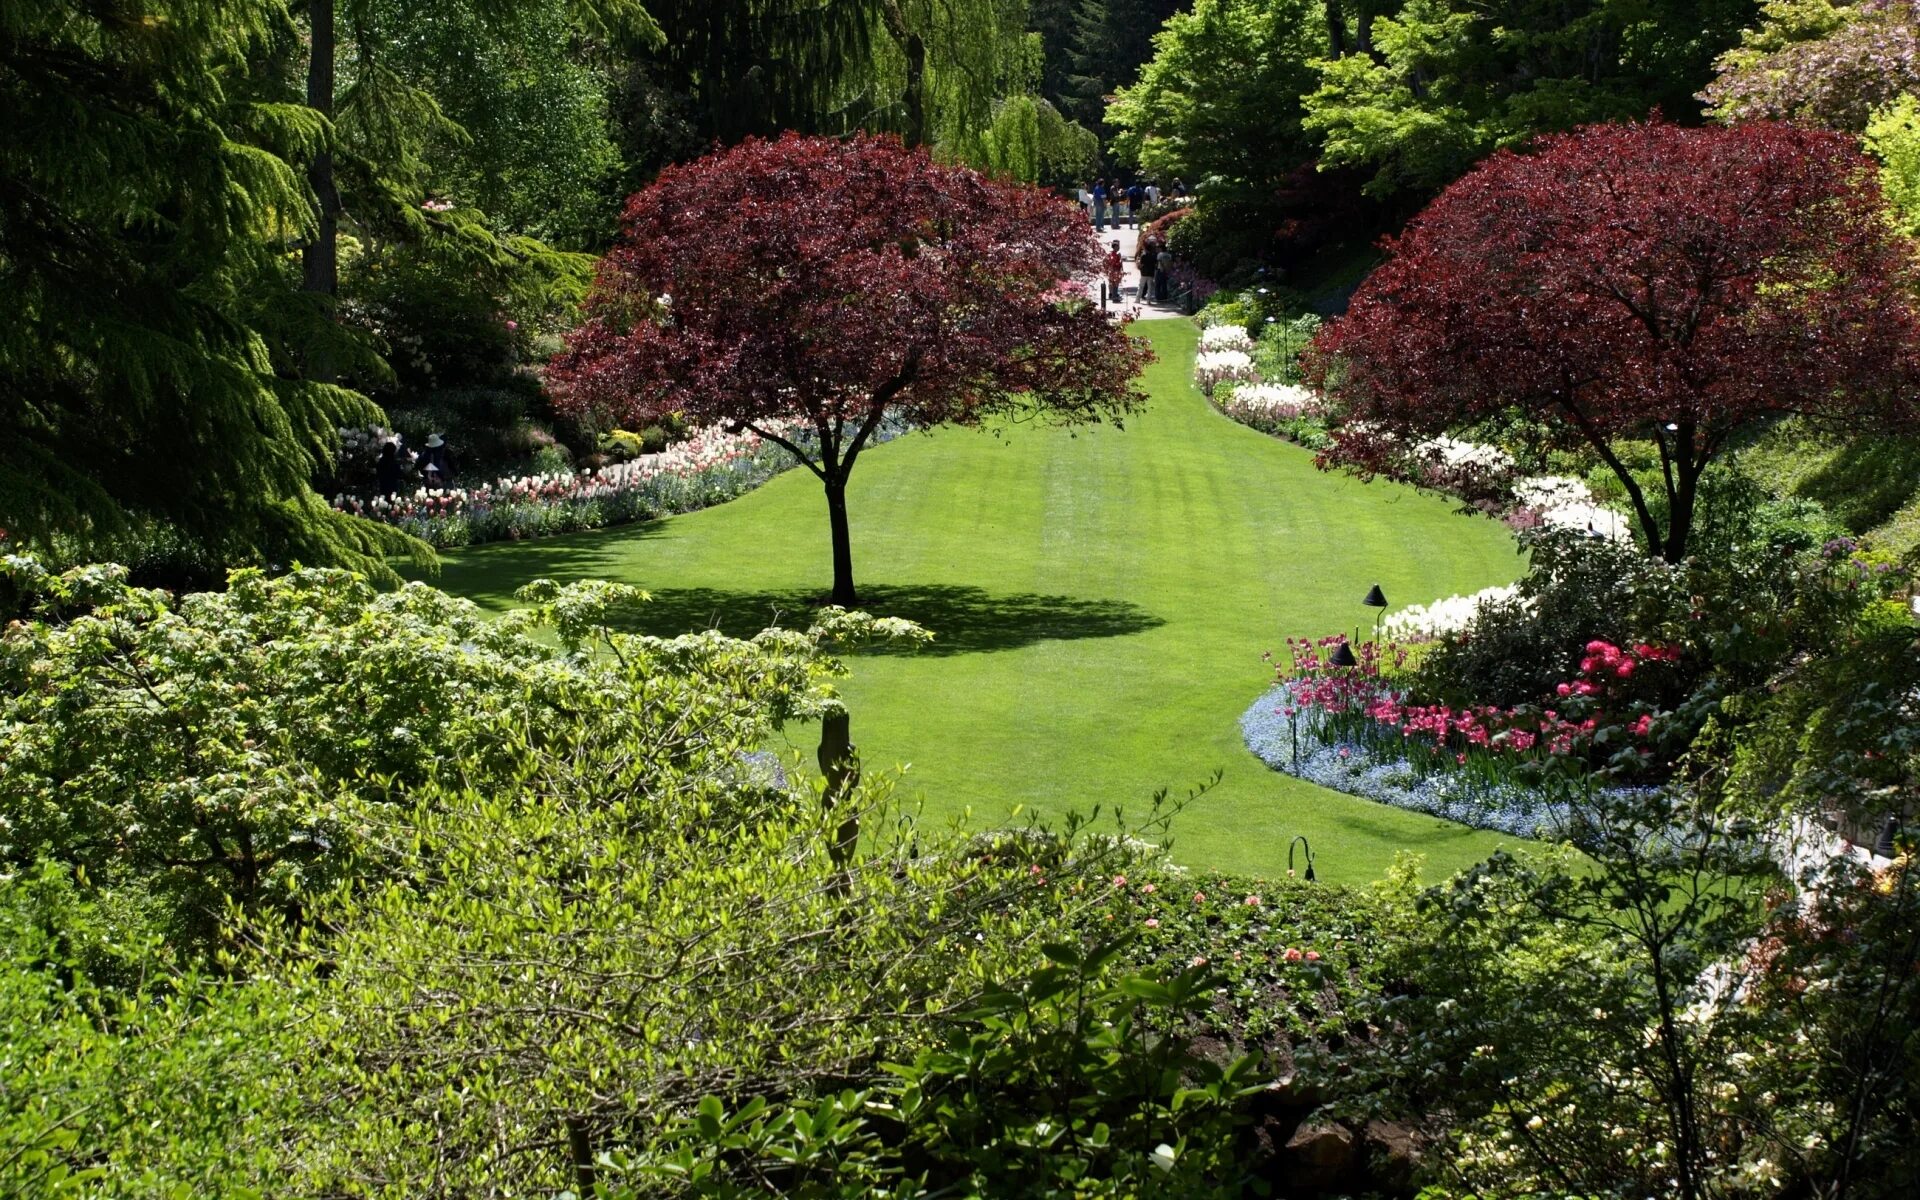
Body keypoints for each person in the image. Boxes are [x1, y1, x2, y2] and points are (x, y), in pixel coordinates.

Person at [1137, 236, 1158, 304]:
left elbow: (1141, 264)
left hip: (1144, 273)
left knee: (1141, 286)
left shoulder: (1143, 255)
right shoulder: (1153, 256)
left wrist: (1139, 267)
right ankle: (1148, 300)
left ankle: (1138, 299)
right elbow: (1155, 264)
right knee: (1150, 287)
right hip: (1151, 273)